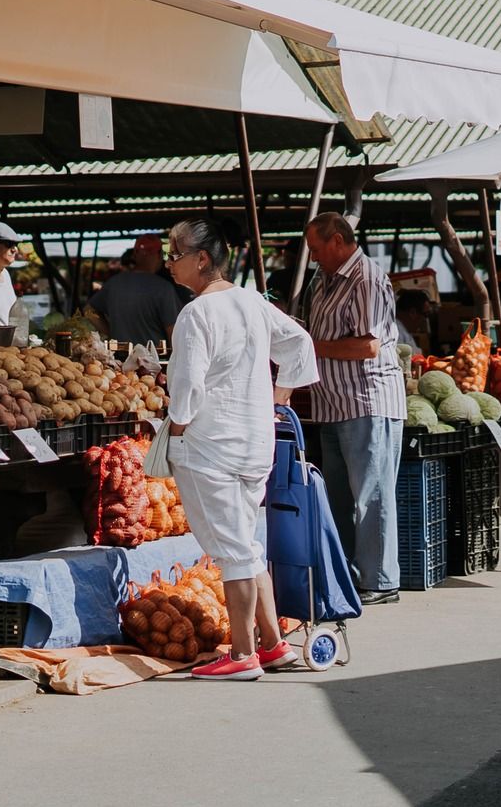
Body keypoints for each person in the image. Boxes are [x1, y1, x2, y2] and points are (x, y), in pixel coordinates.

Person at [161, 218, 320, 680]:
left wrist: (175, 431)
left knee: (234, 550)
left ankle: (243, 653)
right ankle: (271, 645)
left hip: (212, 445)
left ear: (202, 259)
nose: (170, 262)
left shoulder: (196, 313)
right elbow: (300, 343)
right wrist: (279, 396)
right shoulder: (251, 299)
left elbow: (186, 388)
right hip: (255, 441)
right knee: (247, 544)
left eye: (176, 254)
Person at [301, 212, 408, 604]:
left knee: (371, 495)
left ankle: (380, 581)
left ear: (337, 241)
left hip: (366, 402)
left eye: (316, 249)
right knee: (341, 500)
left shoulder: (367, 279)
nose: (313, 258)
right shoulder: (323, 282)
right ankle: (347, 575)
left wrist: (311, 346)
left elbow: (368, 345)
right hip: (332, 404)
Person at [88, 234, 184, 346]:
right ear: (158, 255)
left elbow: (88, 311)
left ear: (134, 255)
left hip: (119, 360)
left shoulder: (114, 283)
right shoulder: (163, 289)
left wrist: (110, 333)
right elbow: (174, 333)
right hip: (152, 361)